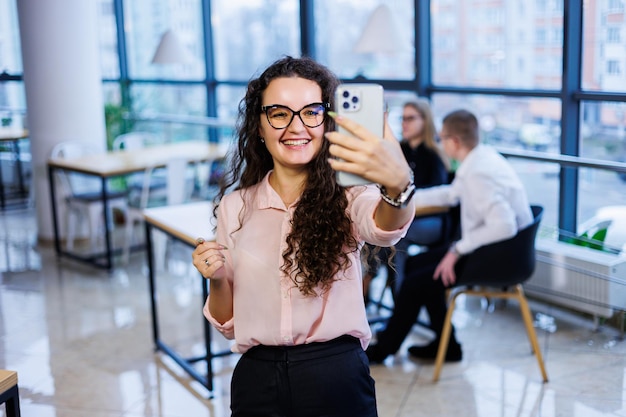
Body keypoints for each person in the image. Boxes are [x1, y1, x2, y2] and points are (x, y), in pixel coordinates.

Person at [191, 56, 416, 417]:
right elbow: (227, 323)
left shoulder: (349, 195)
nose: (296, 126)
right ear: (259, 126)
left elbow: (386, 227)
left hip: (335, 374)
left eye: (311, 112)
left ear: (328, 122)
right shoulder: (235, 206)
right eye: (279, 113)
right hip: (256, 378)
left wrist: (399, 183)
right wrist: (217, 279)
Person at [366, 109, 533, 364]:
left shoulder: (479, 172)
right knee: (415, 266)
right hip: (497, 249)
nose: (440, 143)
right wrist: (404, 198)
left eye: (442, 138)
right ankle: (447, 344)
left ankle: (386, 347)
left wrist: (455, 251)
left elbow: (504, 227)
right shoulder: (480, 158)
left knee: (416, 282)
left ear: (454, 141)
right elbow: (451, 194)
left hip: (502, 257)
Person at [363, 99, 450, 301]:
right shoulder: (399, 148)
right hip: (407, 216)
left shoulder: (433, 156)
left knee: (396, 234)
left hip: (431, 221)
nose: (404, 123)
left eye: (410, 118)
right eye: (402, 118)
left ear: (425, 121)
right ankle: (372, 280)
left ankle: (393, 296)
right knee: (379, 227)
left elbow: (435, 197)